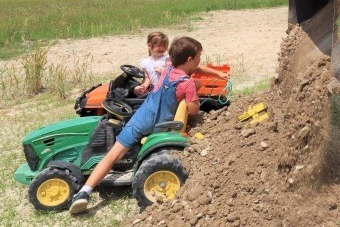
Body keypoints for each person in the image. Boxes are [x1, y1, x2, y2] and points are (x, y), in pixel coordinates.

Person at [69, 36, 229, 214]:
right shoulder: (187, 84)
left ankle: (84, 192)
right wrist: (195, 89)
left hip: (143, 118)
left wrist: (214, 74)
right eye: (199, 57)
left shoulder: (168, 68)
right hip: (161, 124)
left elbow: (193, 67)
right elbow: (192, 110)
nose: (200, 61)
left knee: (113, 154)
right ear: (190, 60)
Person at [133, 32, 171, 97]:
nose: (162, 48)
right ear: (149, 45)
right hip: (153, 87)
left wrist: (162, 71)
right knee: (136, 89)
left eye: (164, 46)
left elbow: (173, 73)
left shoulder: (167, 59)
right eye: (159, 46)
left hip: (165, 87)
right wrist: (144, 86)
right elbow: (147, 78)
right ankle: (145, 100)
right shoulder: (145, 62)